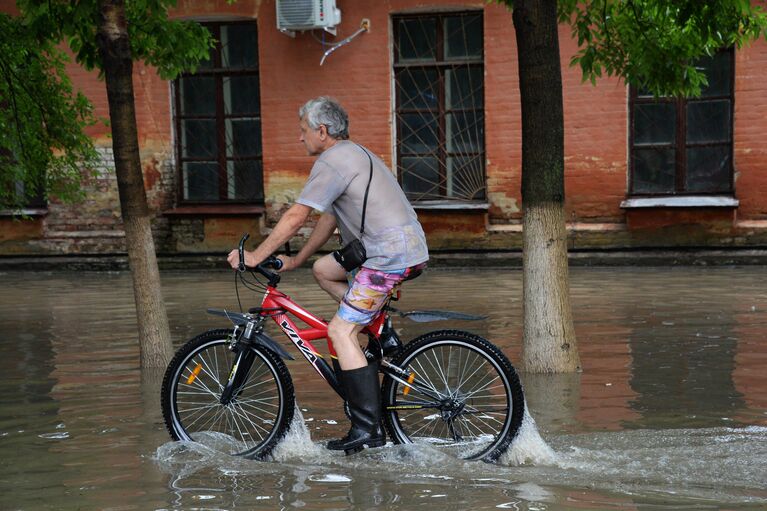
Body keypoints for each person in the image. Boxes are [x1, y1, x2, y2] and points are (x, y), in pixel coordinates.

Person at [227, 96, 429, 455]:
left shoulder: (332, 161)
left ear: (322, 131)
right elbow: (329, 217)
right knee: (324, 269)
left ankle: (367, 430)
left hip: (387, 256)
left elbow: (296, 216)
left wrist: (257, 254)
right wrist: (298, 260)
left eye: (303, 131)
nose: (300, 138)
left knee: (339, 330)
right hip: (404, 247)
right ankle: (380, 329)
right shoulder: (355, 153)